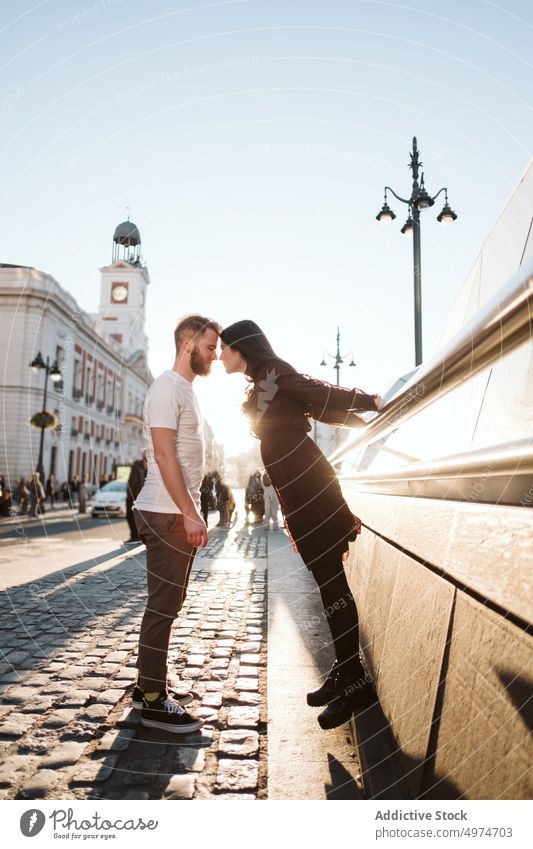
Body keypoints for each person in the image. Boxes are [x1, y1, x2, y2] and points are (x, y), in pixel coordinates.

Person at [220, 319, 384, 731]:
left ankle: (354, 681)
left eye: (224, 347)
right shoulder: (260, 379)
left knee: (332, 583)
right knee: (327, 580)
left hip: (309, 484)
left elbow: (320, 393)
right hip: (296, 487)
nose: (220, 354)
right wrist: (359, 420)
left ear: (242, 347)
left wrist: (372, 401)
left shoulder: (273, 371)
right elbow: (319, 408)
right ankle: (347, 670)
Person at [132, 314, 220, 733]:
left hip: (172, 510)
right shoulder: (167, 388)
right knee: (164, 605)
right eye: (209, 346)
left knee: (167, 603)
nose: (215, 354)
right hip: (167, 512)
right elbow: (164, 455)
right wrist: (189, 512)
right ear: (188, 343)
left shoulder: (183, 389)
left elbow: (165, 456)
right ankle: (152, 699)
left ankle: (146, 683)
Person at [125, 455, 147, 543]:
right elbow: (133, 483)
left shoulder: (146, 468)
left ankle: (137, 536)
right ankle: (135, 536)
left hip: (140, 498)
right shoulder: (137, 467)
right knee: (131, 517)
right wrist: (130, 496)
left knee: (138, 518)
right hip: (134, 497)